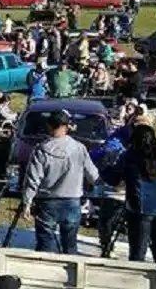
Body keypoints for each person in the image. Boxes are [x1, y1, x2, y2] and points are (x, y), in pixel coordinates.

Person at [19, 109, 99, 254]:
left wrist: (27, 202)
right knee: (70, 246)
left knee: (45, 246)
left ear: (49, 126)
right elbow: (93, 175)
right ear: (67, 127)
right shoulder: (79, 148)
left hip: (47, 202)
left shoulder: (41, 150)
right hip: (72, 201)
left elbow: (33, 179)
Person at [122, 125, 156, 264]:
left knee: (138, 252)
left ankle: (136, 282)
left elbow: (113, 178)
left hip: (140, 209)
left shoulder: (129, 157)